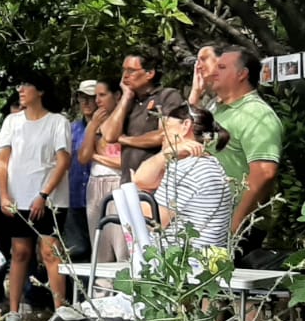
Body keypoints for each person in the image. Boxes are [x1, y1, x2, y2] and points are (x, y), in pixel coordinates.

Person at [0, 73, 71, 321]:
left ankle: (60, 311)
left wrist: (44, 194)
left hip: (50, 199)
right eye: (20, 84)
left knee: (50, 252)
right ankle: (13, 312)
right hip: (18, 197)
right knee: (20, 252)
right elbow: (2, 160)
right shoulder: (12, 122)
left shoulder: (58, 122)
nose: (21, 89)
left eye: (25, 84)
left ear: (41, 91)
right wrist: (4, 194)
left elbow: (62, 161)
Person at [132, 103, 235, 252]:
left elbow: (153, 221)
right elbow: (143, 179)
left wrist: (135, 196)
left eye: (166, 127)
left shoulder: (187, 169)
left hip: (181, 265)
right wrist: (166, 154)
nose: (162, 134)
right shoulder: (210, 164)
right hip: (203, 262)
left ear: (185, 126)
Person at [207, 46, 284, 240]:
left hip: (235, 228)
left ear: (242, 74)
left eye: (222, 67)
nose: (213, 71)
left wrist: (235, 225)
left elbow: (265, 172)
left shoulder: (258, 115)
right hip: (210, 221)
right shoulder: (216, 109)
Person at [101, 52, 186, 182]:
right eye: (123, 70)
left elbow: (166, 135)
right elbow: (109, 136)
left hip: (155, 183)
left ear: (149, 73)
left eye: (131, 71)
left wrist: (126, 140)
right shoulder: (129, 102)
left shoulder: (167, 96)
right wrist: (125, 97)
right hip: (128, 182)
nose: (125, 76)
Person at [80, 80, 125, 259]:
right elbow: (83, 157)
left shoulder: (125, 119)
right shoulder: (95, 122)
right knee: (99, 246)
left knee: (121, 244)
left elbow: (123, 161)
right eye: (95, 96)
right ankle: (101, 286)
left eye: (102, 95)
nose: (97, 101)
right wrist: (92, 126)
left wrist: (96, 156)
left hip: (117, 182)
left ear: (117, 96)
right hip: (95, 183)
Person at [62, 82, 97, 259]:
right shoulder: (70, 129)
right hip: (74, 197)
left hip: (99, 198)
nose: (86, 102)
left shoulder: (109, 128)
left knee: (101, 252)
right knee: (76, 252)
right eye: (82, 97)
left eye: (91, 98)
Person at [188, 44, 220, 109]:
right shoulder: (212, 106)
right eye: (198, 62)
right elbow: (189, 118)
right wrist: (196, 91)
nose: (199, 66)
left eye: (203, 60)